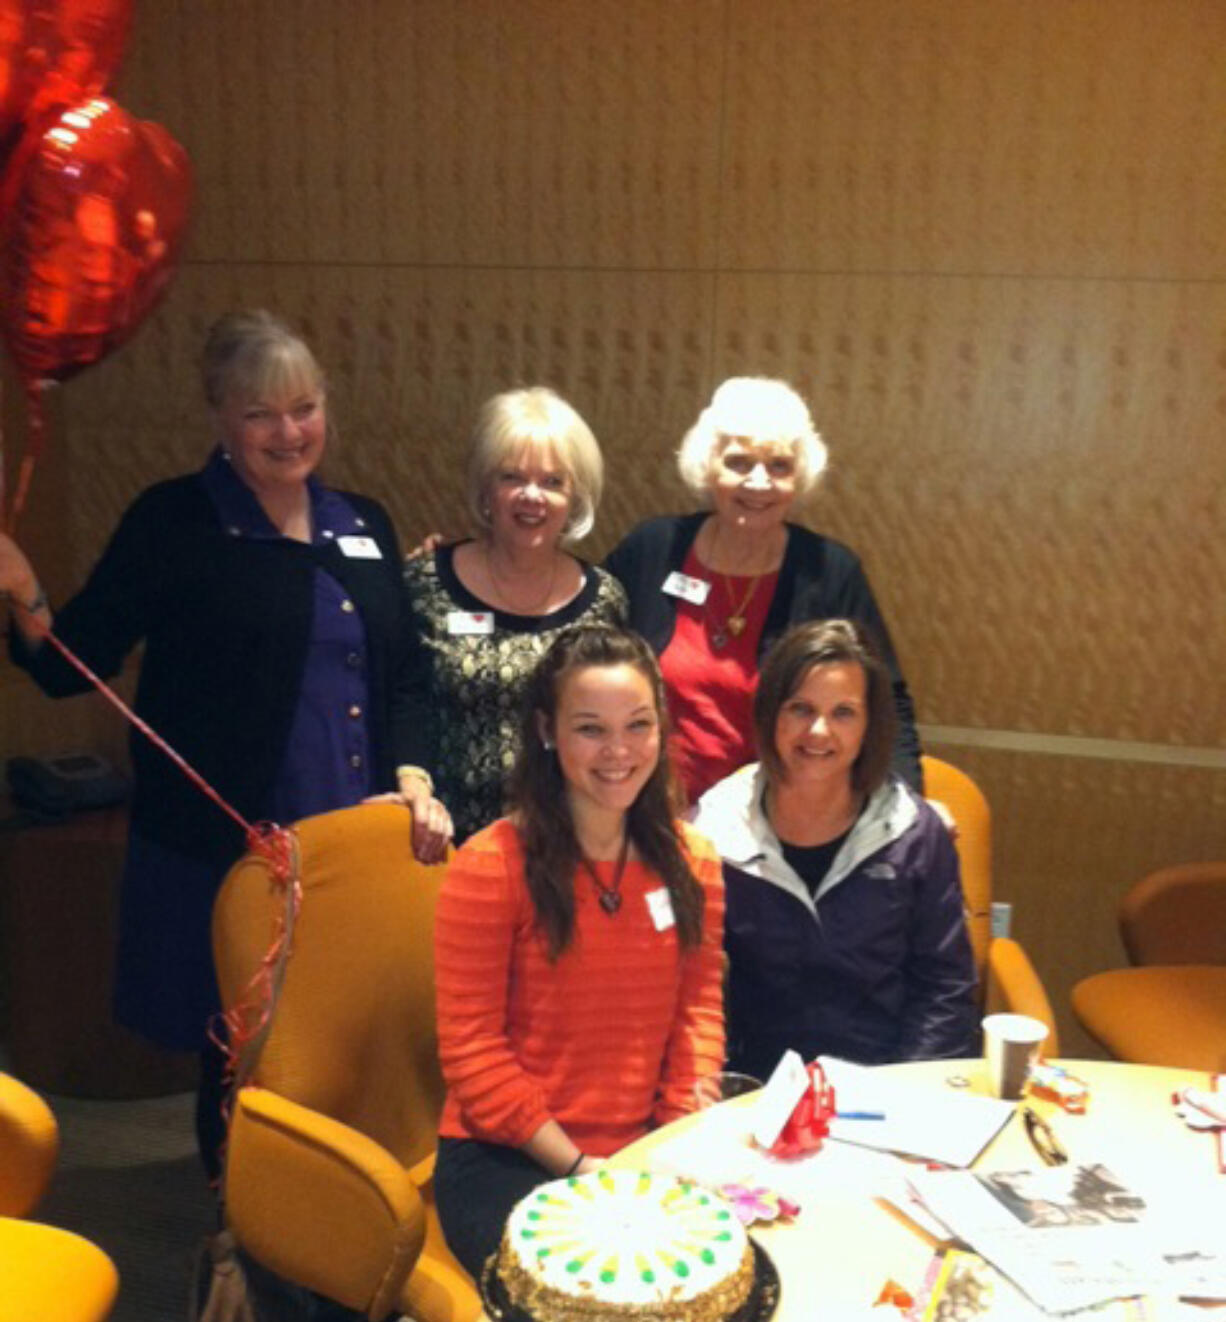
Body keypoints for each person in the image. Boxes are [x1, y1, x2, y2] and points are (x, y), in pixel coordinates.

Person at [0, 309, 450, 1179]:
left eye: (305, 407)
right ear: (219, 418)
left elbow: (403, 677)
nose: (289, 432)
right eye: (260, 414)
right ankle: (241, 1238)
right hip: (231, 853)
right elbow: (71, 666)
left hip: (349, 853)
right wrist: (22, 590)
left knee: (355, 1045)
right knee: (242, 1059)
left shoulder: (363, 520)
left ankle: (344, 1221)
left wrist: (414, 770)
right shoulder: (174, 520)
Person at [432, 624, 726, 1279]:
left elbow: (697, 1014)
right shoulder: (490, 866)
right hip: (510, 1158)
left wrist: (670, 1144)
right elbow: (472, 1052)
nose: (618, 751)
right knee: (608, 1294)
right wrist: (579, 1167)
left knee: (721, 1283)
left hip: (642, 1151)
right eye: (591, 728)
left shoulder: (694, 861)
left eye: (639, 725)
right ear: (547, 731)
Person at [605, 377, 921, 806]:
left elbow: (885, 701)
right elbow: (582, 662)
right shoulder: (653, 548)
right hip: (647, 812)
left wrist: (909, 805)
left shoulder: (830, 571)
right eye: (738, 463)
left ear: (799, 477)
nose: (758, 482)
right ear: (707, 467)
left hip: (777, 821)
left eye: (778, 466)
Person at [692, 619, 975, 1082]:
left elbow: (943, 991)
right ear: (770, 714)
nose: (819, 731)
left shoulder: (914, 834)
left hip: (884, 1089)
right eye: (800, 708)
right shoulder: (716, 829)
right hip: (754, 1091)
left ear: (870, 725)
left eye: (843, 712)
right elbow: (688, 992)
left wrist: (911, 1102)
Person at [401, 386, 627, 842]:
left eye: (553, 482)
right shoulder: (423, 584)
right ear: (486, 489)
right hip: (440, 843)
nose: (532, 497)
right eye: (512, 478)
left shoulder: (606, 601)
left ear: (575, 497)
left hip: (562, 847)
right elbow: (398, 699)